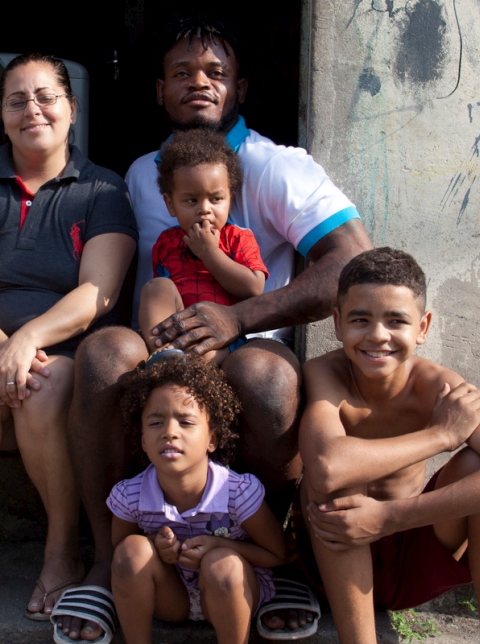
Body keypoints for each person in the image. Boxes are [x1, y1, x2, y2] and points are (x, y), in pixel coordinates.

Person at [58, 17, 372, 642]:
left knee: (264, 378)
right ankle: (104, 561)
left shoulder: (276, 167)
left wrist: (239, 316)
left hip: (247, 342)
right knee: (101, 357)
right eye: (181, 73)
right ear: (158, 91)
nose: (198, 84)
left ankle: (268, 562)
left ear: (241, 89)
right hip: (163, 342)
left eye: (215, 73)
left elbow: (352, 267)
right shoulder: (143, 172)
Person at [0, 52, 138, 625]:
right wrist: (4, 348)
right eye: (17, 100)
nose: (33, 110)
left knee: (46, 387)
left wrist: (28, 342)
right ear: (1, 115)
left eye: (47, 96)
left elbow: (97, 291)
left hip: (62, 349)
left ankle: (60, 553)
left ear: (71, 109)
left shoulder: (104, 190)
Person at [299, 247, 480, 643]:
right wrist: (441, 435)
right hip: (336, 555)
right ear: (337, 323)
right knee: (339, 481)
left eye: (396, 320)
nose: (378, 336)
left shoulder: (437, 385)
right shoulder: (325, 373)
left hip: (414, 553)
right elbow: (327, 467)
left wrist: (388, 517)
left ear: (423, 326)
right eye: (360, 319)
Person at [109, 357, 289, 644]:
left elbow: (278, 555)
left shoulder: (237, 493)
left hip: (232, 594)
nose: (170, 432)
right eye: (156, 422)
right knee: (132, 551)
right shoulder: (129, 496)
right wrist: (156, 544)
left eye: (186, 422)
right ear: (143, 441)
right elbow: (119, 551)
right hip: (171, 599)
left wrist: (222, 545)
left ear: (212, 439)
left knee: (222, 564)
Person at [139, 129, 266, 365]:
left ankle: (185, 366)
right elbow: (164, 299)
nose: (205, 209)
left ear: (231, 198)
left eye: (216, 199)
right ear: (171, 204)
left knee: (205, 353)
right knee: (156, 287)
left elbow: (254, 287)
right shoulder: (166, 242)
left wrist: (210, 253)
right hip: (177, 335)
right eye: (191, 200)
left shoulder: (238, 238)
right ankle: (165, 355)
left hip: (221, 340)